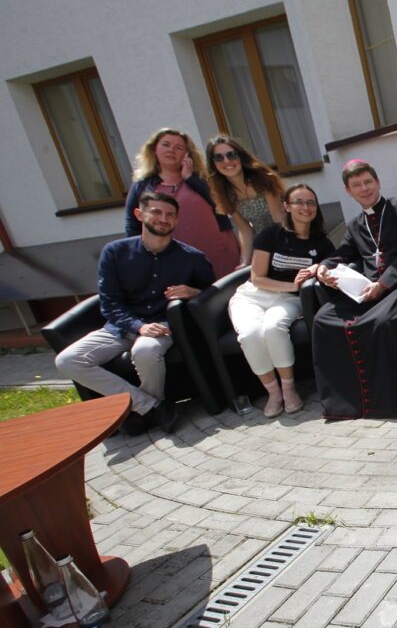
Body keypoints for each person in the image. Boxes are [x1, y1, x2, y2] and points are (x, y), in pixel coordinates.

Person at [58, 192, 215, 435]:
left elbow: (213, 291)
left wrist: (194, 292)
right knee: (67, 361)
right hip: (120, 327)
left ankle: (142, 412)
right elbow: (109, 302)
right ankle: (152, 407)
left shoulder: (191, 257)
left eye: (170, 214)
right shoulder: (115, 252)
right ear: (139, 214)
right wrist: (138, 326)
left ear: (176, 220)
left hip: (163, 325)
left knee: (145, 351)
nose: (164, 219)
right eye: (156, 212)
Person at [312, 159, 397, 419]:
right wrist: (323, 267)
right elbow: (343, 253)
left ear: (378, 182)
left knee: (381, 323)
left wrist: (384, 283)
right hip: (368, 289)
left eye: (368, 182)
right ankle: (346, 403)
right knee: (323, 319)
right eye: (357, 185)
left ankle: (396, 401)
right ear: (348, 191)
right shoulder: (356, 224)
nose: (364, 188)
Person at [227, 183, 334, 417]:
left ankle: (288, 388)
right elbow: (257, 278)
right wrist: (293, 285)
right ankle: (273, 392)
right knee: (250, 334)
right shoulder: (271, 235)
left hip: (289, 300)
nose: (305, 207)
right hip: (252, 296)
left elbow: (331, 264)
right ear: (286, 206)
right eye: (299, 202)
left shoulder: (321, 243)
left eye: (311, 202)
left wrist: (317, 267)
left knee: (273, 327)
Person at [124, 128, 240, 278]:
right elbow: (132, 225)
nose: (171, 150)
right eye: (166, 145)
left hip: (219, 250)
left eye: (178, 147)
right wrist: (140, 256)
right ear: (154, 149)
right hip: (174, 259)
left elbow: (220, 204)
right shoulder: (142, 186)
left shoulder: (202, 179)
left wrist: (190, 178)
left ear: (187, 154)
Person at [204, 135, 286, 268]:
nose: (226, 161)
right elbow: (245, 229)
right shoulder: (224, 192)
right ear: (213, 163)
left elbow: (279, 219)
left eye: (231, 155)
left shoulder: (262, 178)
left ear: (240, 156)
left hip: (284, 238)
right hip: (262, 245)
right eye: (219, 157)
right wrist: (245, 261)